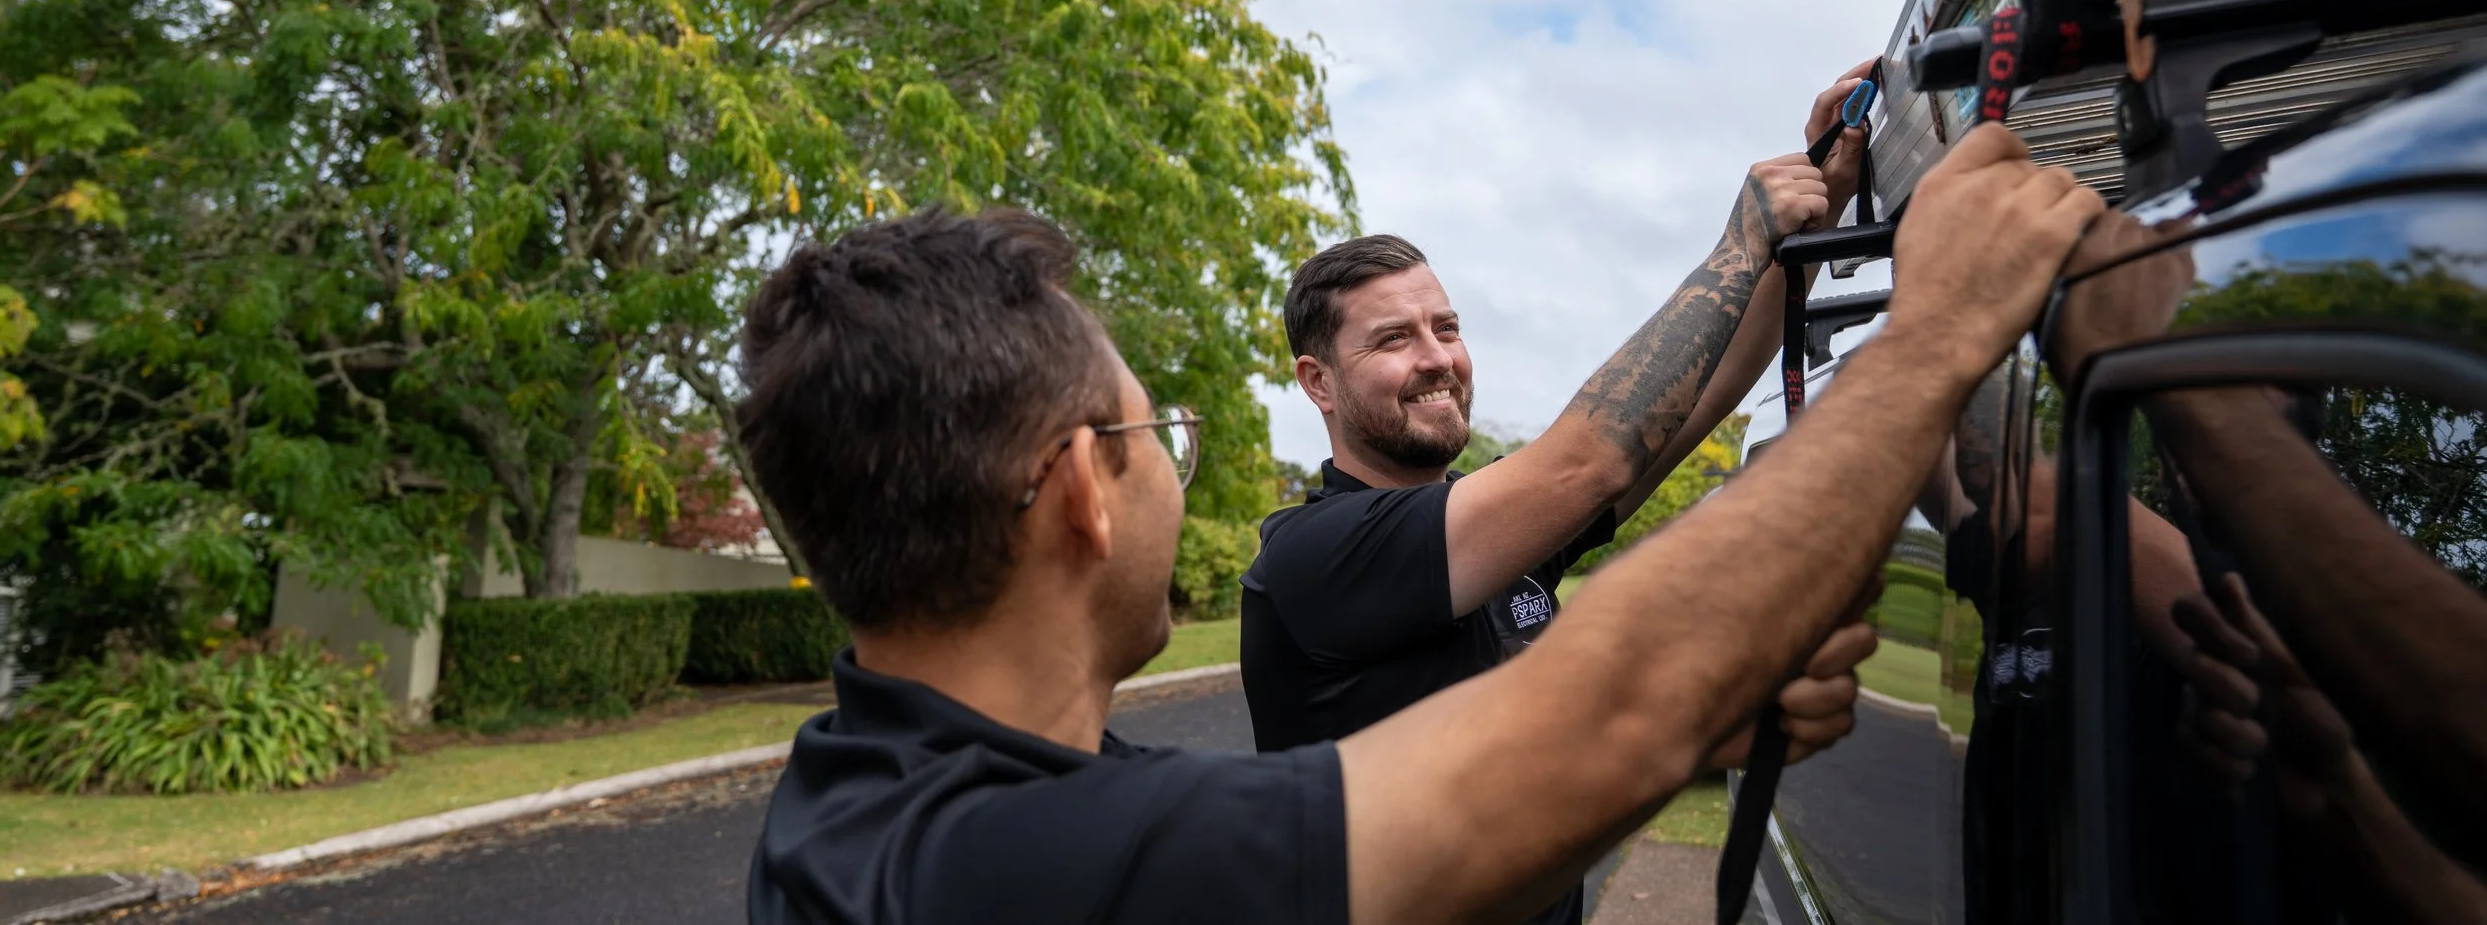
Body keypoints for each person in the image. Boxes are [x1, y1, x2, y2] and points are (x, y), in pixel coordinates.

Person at [738, 120, 2101, 925]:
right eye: (1160, 434)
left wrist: (1709, 721)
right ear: (1087, 486)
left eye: (1452, 325)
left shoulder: (906, 802)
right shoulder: (1020, 858)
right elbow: (1600, 666)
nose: (1441, 355)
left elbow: (1652, 436)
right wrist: (1931, 334)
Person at [1241, 65, 1872, 792]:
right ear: (1317, 380)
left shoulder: (1498, 525)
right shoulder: (1312, 557)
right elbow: (1587, 461)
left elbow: (1695, 403)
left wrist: (1808, 232)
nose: (1437, 358)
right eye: (1393, 340)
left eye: (1446, 328)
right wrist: (1738, 244)